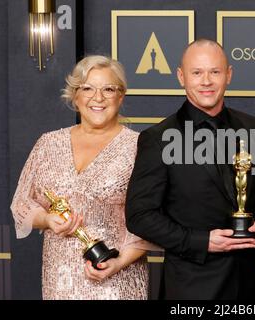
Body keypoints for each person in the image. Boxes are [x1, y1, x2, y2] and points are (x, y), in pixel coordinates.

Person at [125, 39, 255, 300]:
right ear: (181, 77)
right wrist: (201, 242)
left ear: (229, 75)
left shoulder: (254, 128)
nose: (206, 81)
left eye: (215, 72)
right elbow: (139, 215)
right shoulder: (158, 138)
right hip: (191, 287)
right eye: (197, 73)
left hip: (247, 284)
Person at [11, 55, 157, 300]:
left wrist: (119, 262)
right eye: (87, 88)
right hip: (60, 277)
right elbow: (22, 205)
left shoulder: (140, 147)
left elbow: (153, 217)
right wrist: (47, 219)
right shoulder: (48, 143)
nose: (97, 98)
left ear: (121, 96)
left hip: (117, 278)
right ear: (75, 95)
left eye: (108, 89)